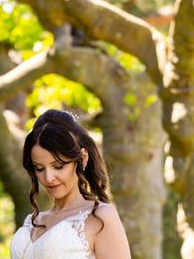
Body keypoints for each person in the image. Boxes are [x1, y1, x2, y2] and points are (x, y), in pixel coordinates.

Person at [10, 109, 131, 259]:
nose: (48, 178)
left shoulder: (100, 217)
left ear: (82, 158)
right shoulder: (33, 221)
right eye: (39, 168)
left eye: (58, 166)